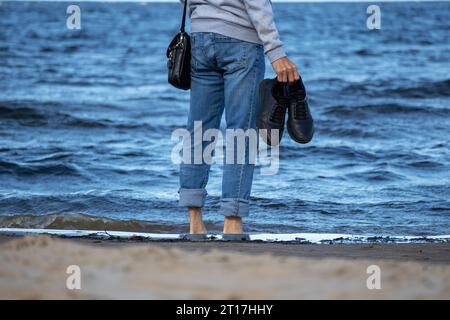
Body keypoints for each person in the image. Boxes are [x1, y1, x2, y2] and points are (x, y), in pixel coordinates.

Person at [178, 0, 300, 239]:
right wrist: (275, 52)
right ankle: (232, 223)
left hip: (201, 37)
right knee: (240, 133)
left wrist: (202, 16)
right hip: (241, 40)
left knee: (198, 130)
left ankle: (194, 223)